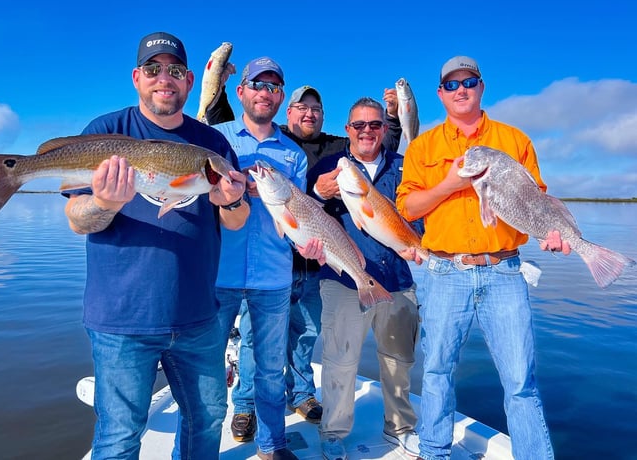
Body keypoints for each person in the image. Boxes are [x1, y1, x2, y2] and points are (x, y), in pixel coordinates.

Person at [64, 31, 249, 460]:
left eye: (175, 71)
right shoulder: (107, 131)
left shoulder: (214, 143)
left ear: (189, 81)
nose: (163, 78)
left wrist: (233, 199)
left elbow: (236, 220)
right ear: (136, 77)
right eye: (153, 69)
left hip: (200, 318)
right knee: (119, 436)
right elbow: (76, 219)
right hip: (121, 321)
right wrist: (105, 203)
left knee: (206, 421)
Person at [395, 56, 569, 460]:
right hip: (443, 273)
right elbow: (408, 208)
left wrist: (552, 232)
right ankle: (434, 452)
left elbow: (537, 202)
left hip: (505, 270)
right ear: (440, 94)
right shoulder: (423, 146)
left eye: (468, 82)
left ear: (481, 86)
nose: (461, 90)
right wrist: (450, 183)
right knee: (436, 372)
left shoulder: (515, 140)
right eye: (452, 85)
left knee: (520, 381)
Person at [222, 84, 411, 438]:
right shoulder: (282, 152)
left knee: (307, 333)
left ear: (324, 117)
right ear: (288, 112)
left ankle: (303, 394)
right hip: (273, 268)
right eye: (301, 107)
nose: (309, 114)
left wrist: (394, 118)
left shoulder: (335, 148)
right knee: (253, 338)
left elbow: (374, 141)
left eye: (316, 108)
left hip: (319, 264)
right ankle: (245, 404)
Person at [307, 97, 420, 460]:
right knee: (340, 362)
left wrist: (417, 243)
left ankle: (400, 427)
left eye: (374, 125)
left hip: (399, 279)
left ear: (385, 130)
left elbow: (419, 218)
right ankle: (334, 432)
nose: (367, 131)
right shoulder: (328, 168)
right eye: (359, 125)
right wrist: (317, 194)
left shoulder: (405, 169)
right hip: (344, 281)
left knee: (398, 362)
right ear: (348, 130)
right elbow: (305, 215)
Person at [211, 56, 309, 460]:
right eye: (257, 85)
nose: (264, 94)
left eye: (272, 87)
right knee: (205, 371)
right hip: (217, 272)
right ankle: (194, 450)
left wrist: (310, 243)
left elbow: (298, 211)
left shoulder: (294, 154)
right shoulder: (215, 138)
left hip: (273, 275)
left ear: (280, 96)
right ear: (241, 91)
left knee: (271, 370)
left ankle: (273, 446)